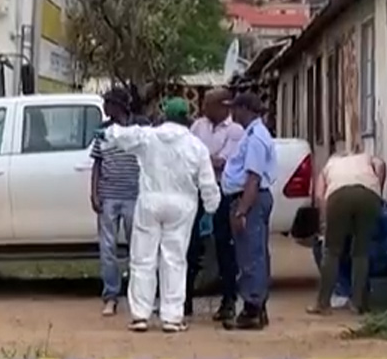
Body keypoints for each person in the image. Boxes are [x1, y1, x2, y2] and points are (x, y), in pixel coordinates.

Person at [101, 96, 220, 333]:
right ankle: (172, 317)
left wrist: (106, 133)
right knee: (174, 260)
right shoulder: (196, 146)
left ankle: (140, 315)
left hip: (150, 202)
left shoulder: (149, 136)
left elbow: (122, 135)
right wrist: (211, 208)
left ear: (165, 115)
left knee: (142, 259)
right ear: (186, 117)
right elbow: (208, 183)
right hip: (182, 206)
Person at [308, 143, 387, 315]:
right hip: (368, 195)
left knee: (332, 251)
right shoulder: (365, 157)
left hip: (338, 196)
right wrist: (378, 190)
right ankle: (357, 303)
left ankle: (323, 303)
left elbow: (319, 196)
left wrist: (325, 222)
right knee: (361, 251)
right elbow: (381, 165)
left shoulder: (330, 164)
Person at [221, 92, 278, 331]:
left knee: (250, 255)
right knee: (255, 253)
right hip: (250, 198)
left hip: (249, 199)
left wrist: (241, 211)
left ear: (246, 109)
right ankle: (258, 307)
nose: (232, 113)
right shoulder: (254, 134)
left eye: (235, 108)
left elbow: (253, 178)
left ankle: (252, 308)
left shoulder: (256, 138)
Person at [188, 87, 244, 321]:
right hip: (198, 191)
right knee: (190, 244)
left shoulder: (235, 131)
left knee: (224, 246)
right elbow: (189, 157)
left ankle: (228, 301)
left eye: (208, 104)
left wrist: (203, 160)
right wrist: (206, 161)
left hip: (223, 192)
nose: (203, 109)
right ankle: (185, 300)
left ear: (223, 106)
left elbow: (224, 162)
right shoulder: (198, 126)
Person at [90, 88, 141, 316]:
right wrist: (94, 193)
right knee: (107, 249)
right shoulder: (103, 131)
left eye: (107, 103)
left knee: (137, 248)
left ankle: (137, 296)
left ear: (118, 106)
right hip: (108, 196)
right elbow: (97, 164)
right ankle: (110, 296)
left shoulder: (138, 130)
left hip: (133, 196)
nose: (104, 107)